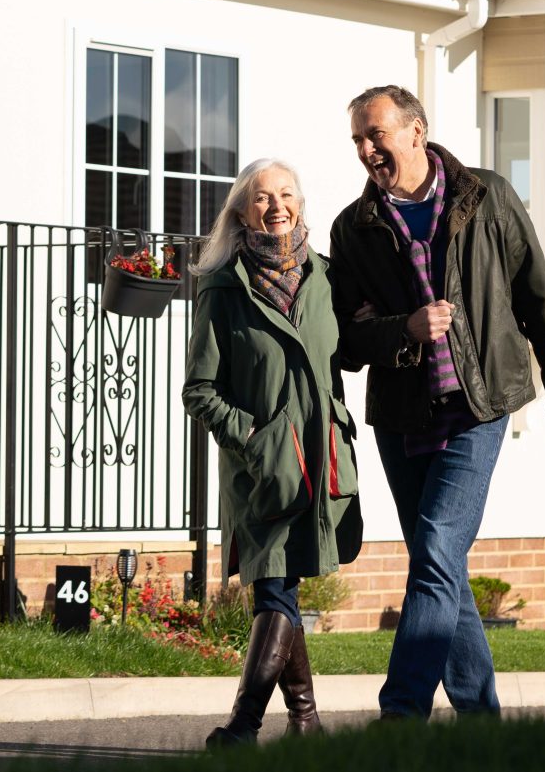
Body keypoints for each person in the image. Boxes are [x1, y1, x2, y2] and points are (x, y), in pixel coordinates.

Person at [328, 85, 545, 720]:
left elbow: (538, 297)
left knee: (439, 548)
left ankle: (402, 714)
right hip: (403, 415)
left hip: (480, 405)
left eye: (376, 135)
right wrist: (403, 329)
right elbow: (345, 340)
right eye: (358, 139)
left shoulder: (488, 197)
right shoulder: (353, 228)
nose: (366, 150)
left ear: (417, 131)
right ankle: (482, 723)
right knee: (439, 563)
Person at [182, 158, 363, 745]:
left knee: (281, 589)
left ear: (301, 205)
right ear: (241, 212)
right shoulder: (222, 288)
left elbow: (351, 351)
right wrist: (253, 440)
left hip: (321, 461)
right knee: (276, 590)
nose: (276, 206)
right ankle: (246, 723)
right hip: (262, 473)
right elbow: (199, 390)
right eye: (262, 197)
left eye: (287, 194)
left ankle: (305, 721)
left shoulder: (327, 278)